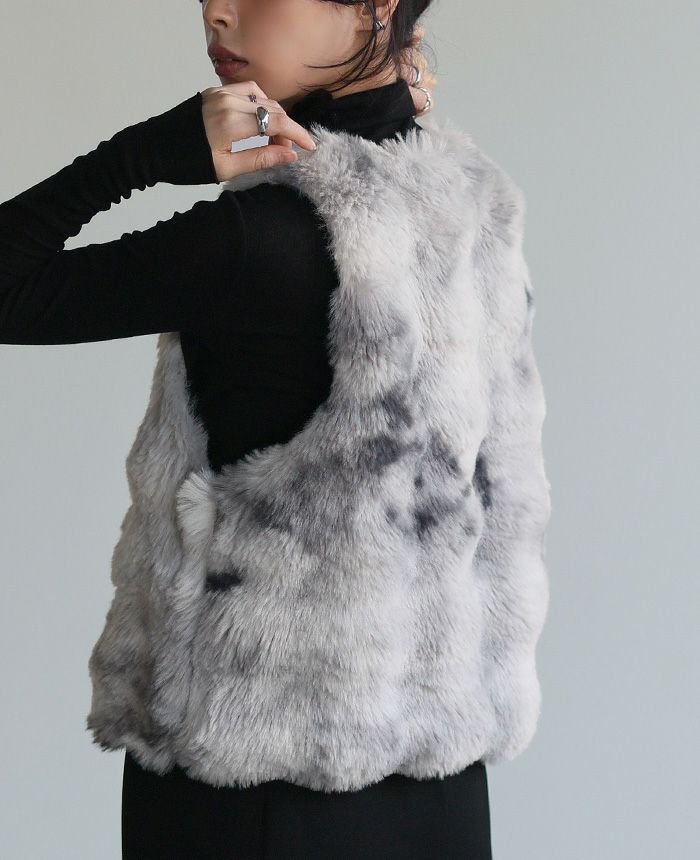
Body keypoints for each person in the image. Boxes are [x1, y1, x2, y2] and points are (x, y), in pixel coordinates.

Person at [1, 2, 552, 858]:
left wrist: (145, 154)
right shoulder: (473, 209)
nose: (216, 9)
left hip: (253, 790)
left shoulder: (263, 237)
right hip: (440, 787)